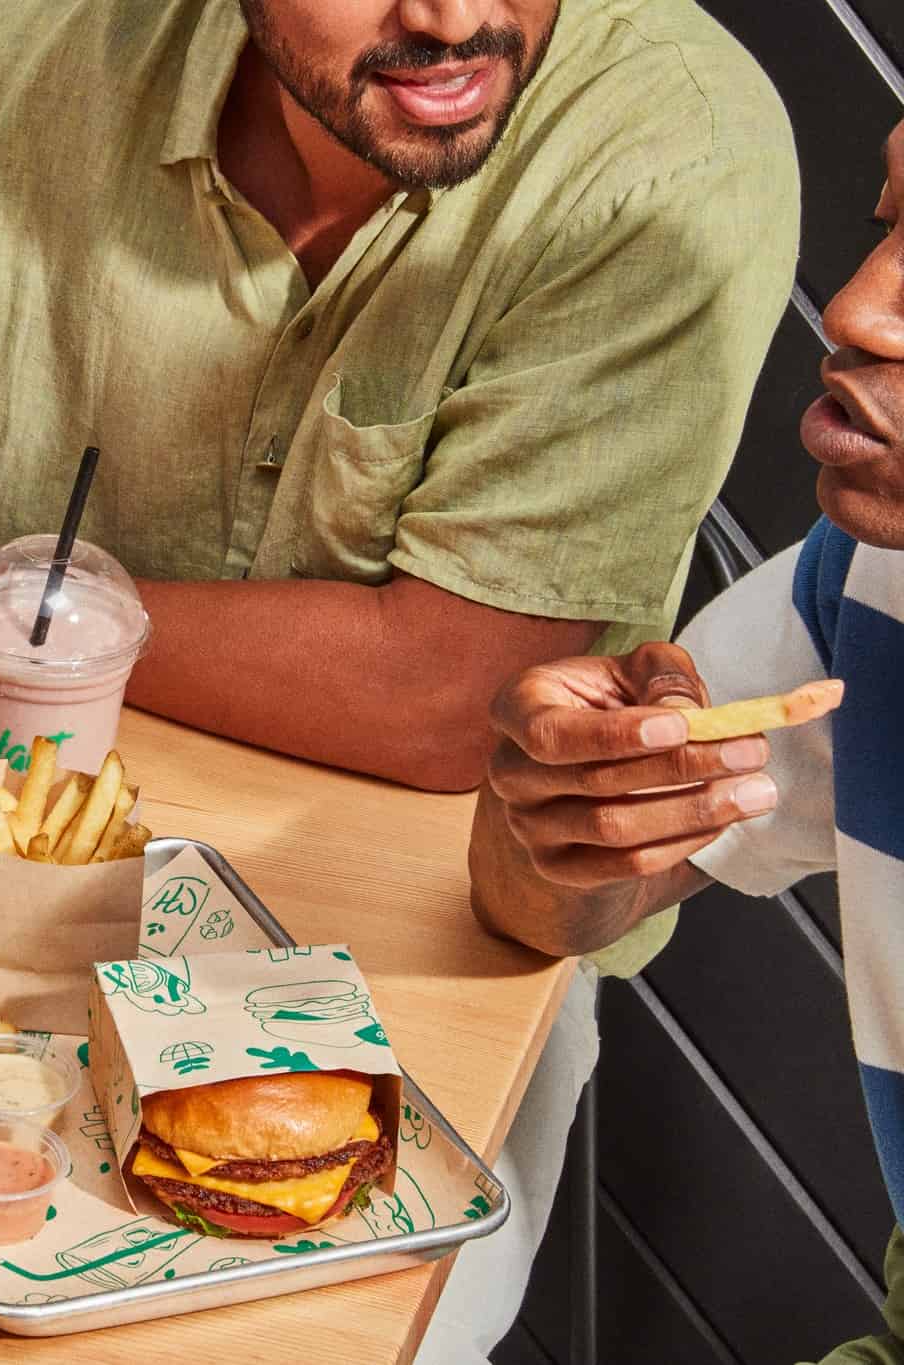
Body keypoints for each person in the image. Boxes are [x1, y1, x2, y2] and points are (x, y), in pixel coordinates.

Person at [0, 0, 796, 800]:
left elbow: (447, 700)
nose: (449, 17)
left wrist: (5, 616)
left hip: (417, 925)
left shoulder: (671, 154)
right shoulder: (60, 43)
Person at [471, 119, 904, 1365]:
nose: (859, 312)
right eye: (885, 221)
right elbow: (557, 908)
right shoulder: (860, 580)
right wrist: (556, 814)